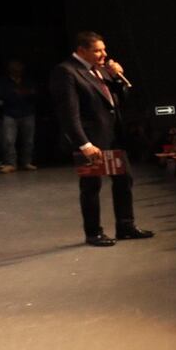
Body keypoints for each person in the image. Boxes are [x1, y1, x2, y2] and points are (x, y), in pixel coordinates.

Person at [49, 31, 154, 246]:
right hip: (92, 139)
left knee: (125, 180)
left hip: (114, 136)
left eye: (103, 49)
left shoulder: (101, 70)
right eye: (97, 50)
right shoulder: (67, 71)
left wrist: (117, 76)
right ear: (81, 50)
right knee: (91, 186)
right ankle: (93, 232)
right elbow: (69, 113)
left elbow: (121, 99)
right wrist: (84, 143)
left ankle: (125, 225)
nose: (103, 54)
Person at [0, 59, 37, 172]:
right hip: (9, 113)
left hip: (27, 113)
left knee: (28, 140)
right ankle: (11, 163)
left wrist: (26, 94)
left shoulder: (28, 81)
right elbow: (2, 96)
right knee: (8, 140)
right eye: (14, 66)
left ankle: (26, 162)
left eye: (18, 66)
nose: (16, 69)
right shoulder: (3, 82)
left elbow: (34, 94)